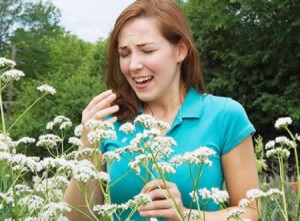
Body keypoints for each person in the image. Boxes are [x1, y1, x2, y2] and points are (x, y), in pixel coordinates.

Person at [64, 0, 260, 220]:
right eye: (125, 53)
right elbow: (76, 218)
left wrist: (186, 215)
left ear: (180, 51)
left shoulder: (225, 115)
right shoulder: (109, 120)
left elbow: (251, 212)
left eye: (147, 50)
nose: (133, 65)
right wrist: (87, 145)